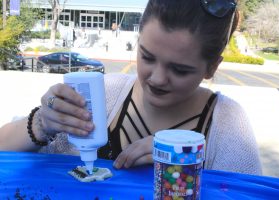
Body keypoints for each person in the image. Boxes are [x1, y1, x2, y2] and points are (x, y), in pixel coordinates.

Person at [0, 0, 262, 175]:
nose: (157, 78)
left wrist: (183, 172)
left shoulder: (226, 126)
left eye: (179, 70)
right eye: (147, 57)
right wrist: (40, 124)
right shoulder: (106, 96)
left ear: (212, 67)